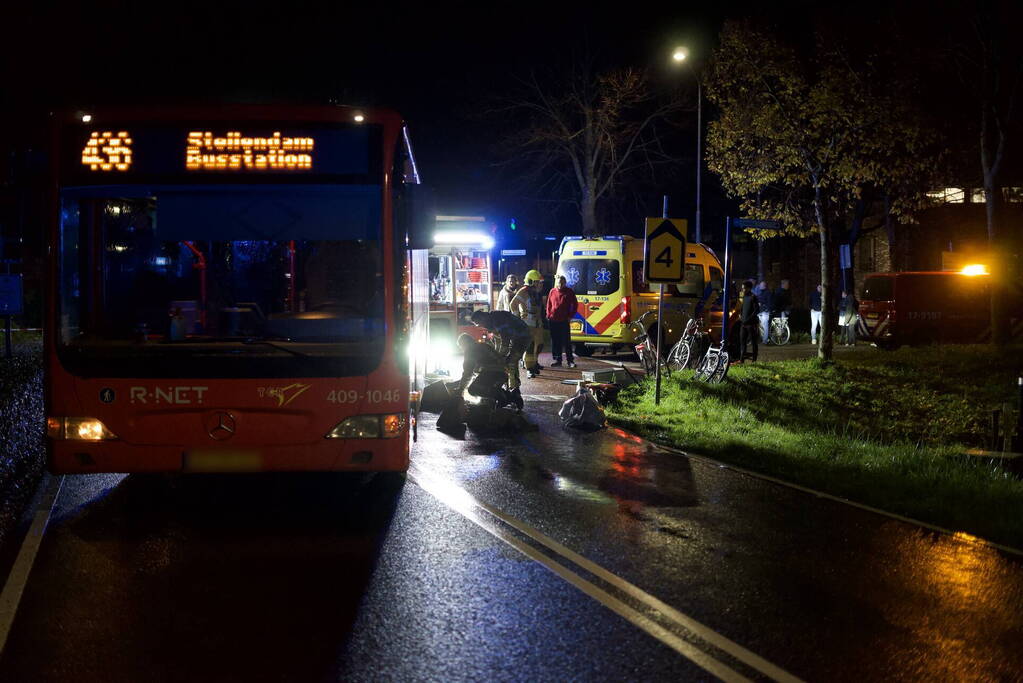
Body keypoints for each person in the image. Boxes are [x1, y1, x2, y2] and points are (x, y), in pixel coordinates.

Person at [470, 309, 531, 399]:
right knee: (505, 363)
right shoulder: (491, 322)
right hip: (515, 338)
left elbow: (505, 340)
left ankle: (515, 390)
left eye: (480, 323)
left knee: (511, 362)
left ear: (482, 318)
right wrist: (497, 356)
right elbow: (497, 342)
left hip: (523, 337)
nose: (481, 326)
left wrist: (499, 357)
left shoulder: (497, 318)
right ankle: (510, 387)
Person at [455, 333, 522, 411]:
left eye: (461, 346)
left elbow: (467, 372)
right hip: (502, 373)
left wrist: (461, 389)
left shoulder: (470, 350)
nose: (462, 349)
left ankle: (503, 396)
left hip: (492, 373)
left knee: (473, 389)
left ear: (464, 343)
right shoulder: (483, 345)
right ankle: (511, 395)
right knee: (485, 391)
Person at [511, 269, 545, 378]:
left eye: (538, 282)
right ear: (530, 281)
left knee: (539, 345)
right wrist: (517, 318)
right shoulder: (523, 291)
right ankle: (529, 368)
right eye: (536, 282)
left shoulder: (536, 293)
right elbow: (513, 304)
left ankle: (534, 364)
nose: (538, 284)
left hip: (537, 323)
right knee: (529, 347)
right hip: (527, 324)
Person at [546, 274, 578, 368]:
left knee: (566, 341)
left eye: (562, 282)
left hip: (564, 320)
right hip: (553, 320)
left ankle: (570, 361)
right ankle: (557, 360)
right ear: (557, 282)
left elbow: (575, 305)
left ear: (565, 283)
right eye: (559, 282)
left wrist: (570, 316)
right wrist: (548, 315)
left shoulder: (569, 292)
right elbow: (549, 304)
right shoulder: (552, 291)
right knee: (555, 341)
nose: (560, 284)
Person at [738, 280, 760, 362]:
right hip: (743, 324)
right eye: (742, 288)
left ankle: (754, 360)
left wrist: (749, 319)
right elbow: (741, 307)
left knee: (754, 342)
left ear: (749, 288)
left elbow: (756, 310)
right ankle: (741, 359)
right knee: (742, 342)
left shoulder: (753, 297)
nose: (742, 289)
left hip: (751, 324)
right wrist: (740, 315)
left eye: (744, 288)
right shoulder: (743, 296)